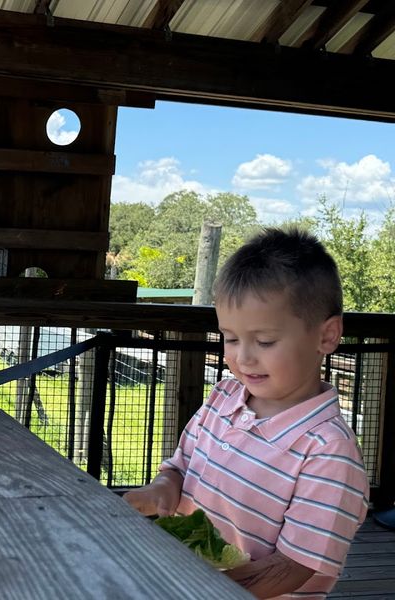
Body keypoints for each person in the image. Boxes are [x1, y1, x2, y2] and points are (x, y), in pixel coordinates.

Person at [124, 227, 369, 599]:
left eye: (265, 341)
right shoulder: (223, 397)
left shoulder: (328, 451)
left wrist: (187, 587)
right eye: (231, 338)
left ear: (327, 336)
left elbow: (293, 568)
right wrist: (161, 490)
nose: (242, 357)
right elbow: (180, 469)